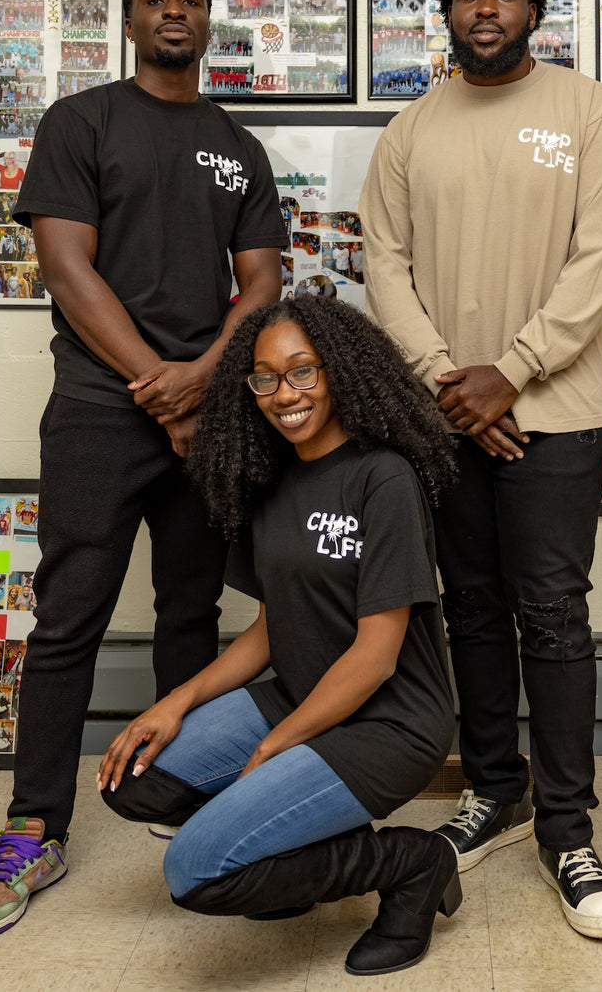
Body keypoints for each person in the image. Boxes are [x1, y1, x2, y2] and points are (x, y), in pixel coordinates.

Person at [0, 0, 285, 940]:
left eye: (189, 1)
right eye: (156, 0)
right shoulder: (82, 121)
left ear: (209, 23)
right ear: (131, 19)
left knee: (190, 617)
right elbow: (65, 264)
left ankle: (175, 802)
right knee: (68, 621)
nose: (173, 12)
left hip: (205, 415)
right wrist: (159, 383)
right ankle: (32, 826)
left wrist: (200, 382)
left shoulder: (235, 143)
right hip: (102, 412)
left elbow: (261, 280)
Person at [360, 0, 602, 940]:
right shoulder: (410, 131)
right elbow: (382, 266)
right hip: (444, 420)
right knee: (469, 609)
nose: (486, 7)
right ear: (444, 11)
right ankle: (495, 787)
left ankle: (567, 829)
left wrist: (510, 372)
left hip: (554, 415)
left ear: (533, 9)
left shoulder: (587, 113)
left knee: (551, 615)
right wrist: (448, 384)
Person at [97, 296, 460, 976]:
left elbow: (377, 656)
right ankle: (299, 846)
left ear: (340, 372)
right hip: (298, 693)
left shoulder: (383, 478)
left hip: (388, 724)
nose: (282, 393)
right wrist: (173, 702)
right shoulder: (268, 480)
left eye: (302, 372)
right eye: (263, 377)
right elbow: (270, 630)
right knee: (134, 778)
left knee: (195, 870)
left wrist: (271, 746)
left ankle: (413, 864)